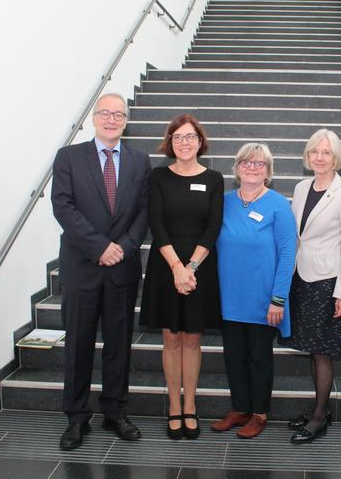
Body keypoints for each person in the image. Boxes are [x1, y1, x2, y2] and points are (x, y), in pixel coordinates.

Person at [51, 93, 151, 450]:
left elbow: (144, 212)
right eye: (105, 113)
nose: (112, 119)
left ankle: (115, 411)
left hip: (122, 269)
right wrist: (99, 247)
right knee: (78, 344)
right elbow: (62, 207)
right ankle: (76, 418)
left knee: (119, 345)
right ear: (94, 118)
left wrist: (122, 248)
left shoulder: (140, 161)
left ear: (126, 120)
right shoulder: (68, 157)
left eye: (118, 115)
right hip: (82, 267)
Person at [139, 114, 223, 440]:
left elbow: (213, 227)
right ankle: (174, 406)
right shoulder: (159, 177)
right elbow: (156, 225)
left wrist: (191, 268)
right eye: (178, 137)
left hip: (199, 268)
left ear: (200, 142)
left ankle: (191, 405)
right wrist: (177, 267)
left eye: (190, 137)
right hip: (166, 266)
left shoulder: (214, 178)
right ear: (170, 143)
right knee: (171, 338)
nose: (184, 142)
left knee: (192, 339)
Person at [279, 129, 341, 444]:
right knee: (313, 349)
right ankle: (319, 409)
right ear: (308, 155)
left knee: (323, 351)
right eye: (315, 151)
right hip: (302, 278)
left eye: (326, 152)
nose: (320, 157)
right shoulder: (300, 188)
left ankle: (319, 417)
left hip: (328, 282)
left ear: (336, 156)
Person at [212, 143, 297, 439]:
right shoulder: (222, 201)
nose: (252, 167)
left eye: (259, 164)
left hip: (264, 299)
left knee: (259, 358)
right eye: (246, 162)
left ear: (269, 172)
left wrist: (278, 298)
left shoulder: (278, 204)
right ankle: (240, 408)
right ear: (236, 168)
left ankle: (259, 413)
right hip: (230, 296)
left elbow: (288, 253)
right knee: (234, 356)